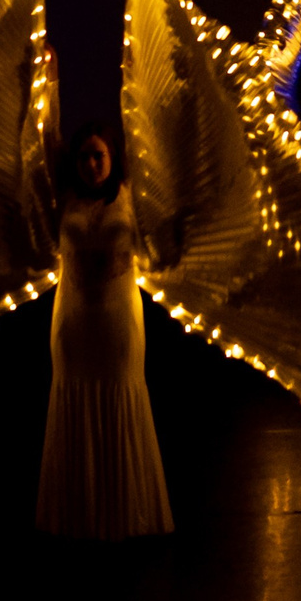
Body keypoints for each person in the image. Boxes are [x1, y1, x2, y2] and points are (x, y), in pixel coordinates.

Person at [35, 122, 174, 537]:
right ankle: (77, 516)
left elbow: (137, 126)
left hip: (118, 324)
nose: (92, 164)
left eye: (100, 155)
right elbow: (47, 141)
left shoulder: (132, 196)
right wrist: (50, 77)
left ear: (113, 159)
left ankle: (126, 515)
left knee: (121, 397)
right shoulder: (65, 200)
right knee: (74, 398)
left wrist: (132, 67)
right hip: (73, 324)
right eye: (85, 157)